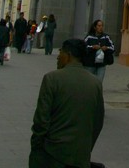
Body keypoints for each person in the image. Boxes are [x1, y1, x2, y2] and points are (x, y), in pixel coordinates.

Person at [29, 38, 104, 168]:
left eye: (60, 53)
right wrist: (86, 148)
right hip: (80, 155)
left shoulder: (52, 79)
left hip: (53, 153)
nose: (58, 57)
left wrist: (37, 145)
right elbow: (98, 121)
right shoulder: (95, 83)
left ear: (68, 55)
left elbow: (41, 119)